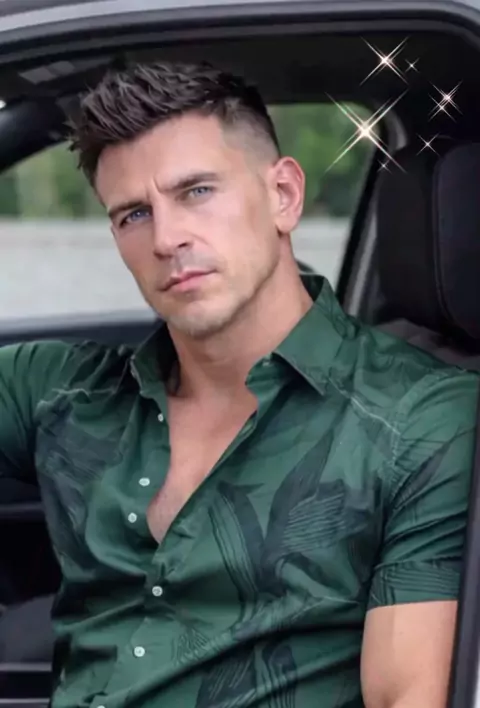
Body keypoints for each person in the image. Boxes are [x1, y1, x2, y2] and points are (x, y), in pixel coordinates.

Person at [0, 60, 477, 708]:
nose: (167, 238)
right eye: (133, 214)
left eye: (196, 191)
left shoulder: (420, 419)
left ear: (283, 195)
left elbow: (408, 697)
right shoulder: (63, 391)